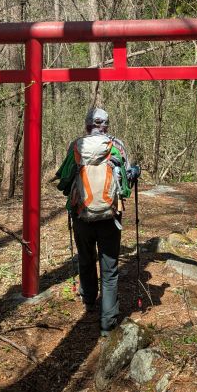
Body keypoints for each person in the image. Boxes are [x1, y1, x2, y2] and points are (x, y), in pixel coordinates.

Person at [54, 107, 139, 335]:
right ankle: (107, 324)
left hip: (82, 216)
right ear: (106, 125)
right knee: (109, 269)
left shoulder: (76, 146)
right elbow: (126, 186)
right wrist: (134, 172)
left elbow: (64, 182)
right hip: (110, 216)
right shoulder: (116, 146)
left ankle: (89, 300)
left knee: (86, 257)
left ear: (87, 125)